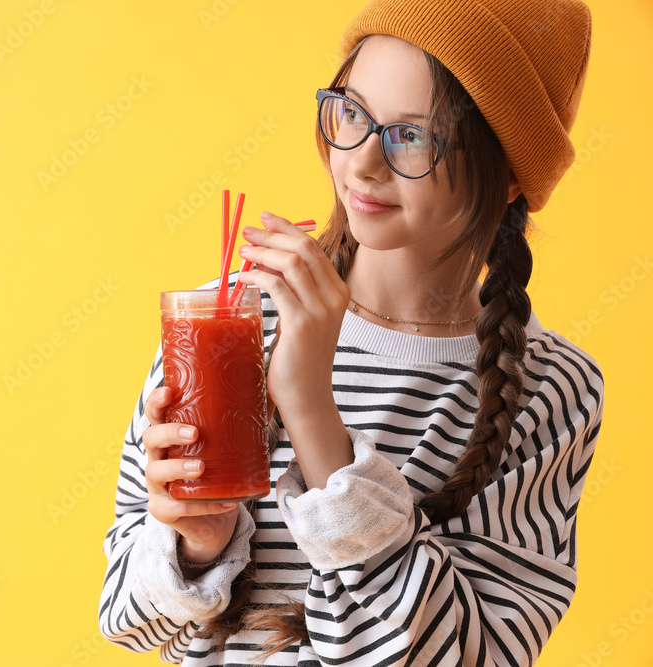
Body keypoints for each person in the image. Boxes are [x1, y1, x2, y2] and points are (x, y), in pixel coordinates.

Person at [99, 0, 603, 664]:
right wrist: (196, 543)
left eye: (412, 136)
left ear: (509, 177)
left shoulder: (548, 387)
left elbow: (468, 655)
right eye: (353, 113)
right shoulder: (222, 321)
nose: (362, 162)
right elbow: (127, 621)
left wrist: (312, 410)